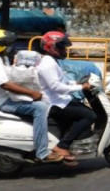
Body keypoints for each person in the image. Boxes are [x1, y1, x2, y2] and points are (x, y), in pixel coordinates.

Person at [0, 29, 63, 163]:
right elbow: (6, 85)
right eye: (8, 44)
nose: (10, 47)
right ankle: (42, 152)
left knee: (45, 101)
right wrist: (31, 93)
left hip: (8, 97)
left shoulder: (0, 58)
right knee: (40, 108)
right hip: (4, 102)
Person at [37, 31, 96, 161]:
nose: (64, 50)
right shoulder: (48, 64)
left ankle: (69, 141)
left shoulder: (52, 61)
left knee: (82, 110)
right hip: (53, 103)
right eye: (61, 47)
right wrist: (80, 87)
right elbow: (56, 87)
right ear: (51, 47)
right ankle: (62, 146)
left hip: (58, 100)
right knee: (90, 115)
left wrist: (76, 82)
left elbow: (61, 81)